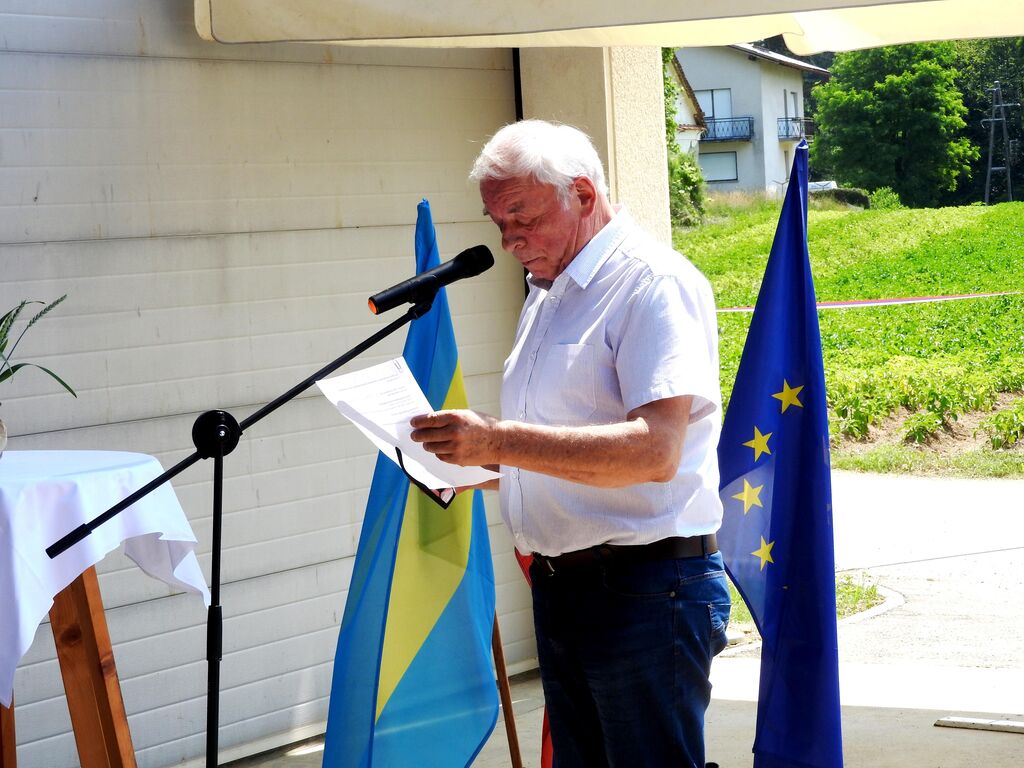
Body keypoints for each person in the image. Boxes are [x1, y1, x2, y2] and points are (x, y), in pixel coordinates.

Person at [409, 119, 729, 768]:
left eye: (522, 216)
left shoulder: (651, 284)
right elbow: (558, 451)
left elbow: (655, 452)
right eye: (498, 222)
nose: (508, 240)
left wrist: (499, 438)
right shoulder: (548, 292)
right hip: (563, 588)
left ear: (582, 193)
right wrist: (468, 460)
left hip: (644, 589)